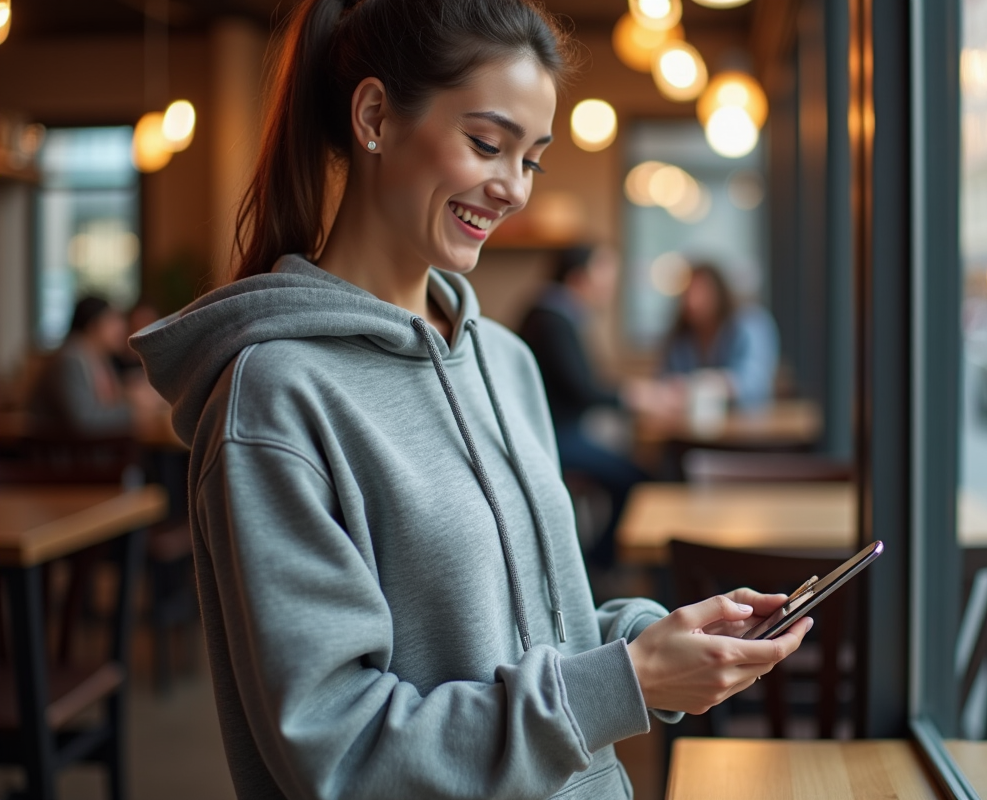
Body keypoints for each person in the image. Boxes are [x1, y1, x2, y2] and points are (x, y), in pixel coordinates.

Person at [130, 3, 809, 798]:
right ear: (375, 117)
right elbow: (340, 756)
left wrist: (644, 642)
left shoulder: (506, 362)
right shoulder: (275, 399)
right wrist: (624, 681)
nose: (513, 187)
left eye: (533, 161)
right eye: (488, 144)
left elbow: (531, 634)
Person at [518, 245, 647, 568]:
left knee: (631, 464)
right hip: (552, 439)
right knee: (637, 478)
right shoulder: (552, 318)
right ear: (578, 277)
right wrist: (633, 397)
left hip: (556, 432)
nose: (610, 285)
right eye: (603, 274)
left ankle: (599, 561)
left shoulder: (554, 313)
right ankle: (599, 564)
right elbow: (582, 389)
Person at [662, 263, 780, 411]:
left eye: (700, 291)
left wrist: (706, 385)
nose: (692, 301)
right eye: (688, 293)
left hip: (746, 421)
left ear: (718, 292)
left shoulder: (750, 323)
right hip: (688, 422)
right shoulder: (682, 337)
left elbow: (754, 384)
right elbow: (665, 382)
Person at [32, 295, 136, 437]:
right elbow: (83, 421)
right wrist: (135, 412)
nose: (121, 328)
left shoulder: (101, 359)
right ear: (92, 325)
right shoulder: (70, 360)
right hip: (61, 448)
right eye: (113, 321)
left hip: (90, 447)